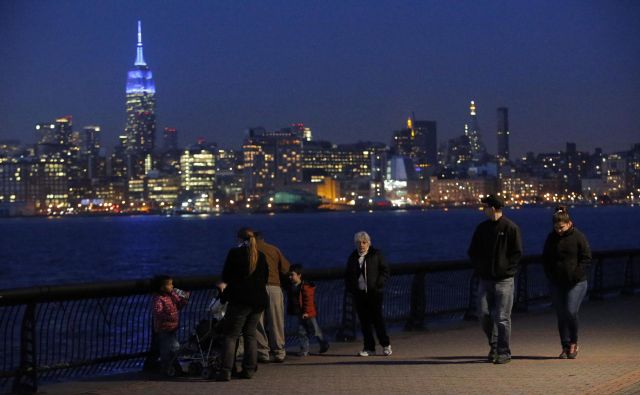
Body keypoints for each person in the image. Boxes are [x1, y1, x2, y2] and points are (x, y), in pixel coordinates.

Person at [468, 195, 522, 364]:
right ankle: (495, 344)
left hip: (504, 280)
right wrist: (480, 268)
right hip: (485, 279)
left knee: (502, 317)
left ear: (492, 208)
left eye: (485, 206)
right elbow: (473, 251)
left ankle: (503, 351)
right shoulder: (482, 228)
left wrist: (508, 270)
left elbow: (517, 252)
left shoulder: (510, 228)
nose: (483, 209)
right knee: (483, 313)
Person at [216, 227, 269, 381]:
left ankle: (226, 370)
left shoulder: (234, 253)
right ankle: (249, 369)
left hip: (240, 300)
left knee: (231, 335)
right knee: (250, 335)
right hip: (258, 300)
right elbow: (265, 278)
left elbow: (226, 276)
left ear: (239, 238)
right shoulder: (261, 256)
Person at [543, 206, 591, 359]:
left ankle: (574, 343)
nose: (559, 231)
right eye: (556, 228)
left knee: (570, 311)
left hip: (577, 282)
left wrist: (577, 274)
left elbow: (586, 258)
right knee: (561, 315)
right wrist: (550, 274)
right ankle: (564, 346)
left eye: (561, 227)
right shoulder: (551, 238)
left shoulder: (578, 237)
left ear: (569, 223)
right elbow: (546, 258)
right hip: (557, 282)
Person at [345, 231, 392, 357]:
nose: (361, 245)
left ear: (369, 243)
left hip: (374, 293)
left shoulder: (376, 254)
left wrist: (379, 284)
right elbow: (348, 274)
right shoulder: (353, 257)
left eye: (364, 242)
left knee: (378, 321)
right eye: (359, 242)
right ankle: (369, 347)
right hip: (360, 294)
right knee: (364, 322)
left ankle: (386, 345)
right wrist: (351, 288)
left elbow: (385, 270)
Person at [254, 232, 290, 363]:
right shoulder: (274, 249)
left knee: (258, 322)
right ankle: (279, 351)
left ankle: (263, 352)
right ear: (263, 239)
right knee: (276, 320)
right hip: (274, 287)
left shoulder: (250, 251)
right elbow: (286, 268)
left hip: (257, 288)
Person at [286, 264, 330, 356]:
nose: (290, 277)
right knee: (302, 331)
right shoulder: (292, 286)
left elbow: (308, 301)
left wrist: (306, 312)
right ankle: (304, 349)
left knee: (315, 330)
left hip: (308, 313)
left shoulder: (305, 286)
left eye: (292, 275)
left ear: (299, 275)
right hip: (299, 313)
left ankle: (323, 344)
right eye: (289, 275)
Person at [151, 275, 189, 375]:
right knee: (169, 349)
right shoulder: (158, 299)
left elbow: (179, 305)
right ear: (162, 287)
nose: (172, 286)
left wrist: (185, 298)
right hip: (164, 328)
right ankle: (167, 369)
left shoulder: (172, 295)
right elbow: (158, 313)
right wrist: (169, 316)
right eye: (170, 284)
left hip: (173, 327)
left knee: (172, 349)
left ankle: (175, 368)